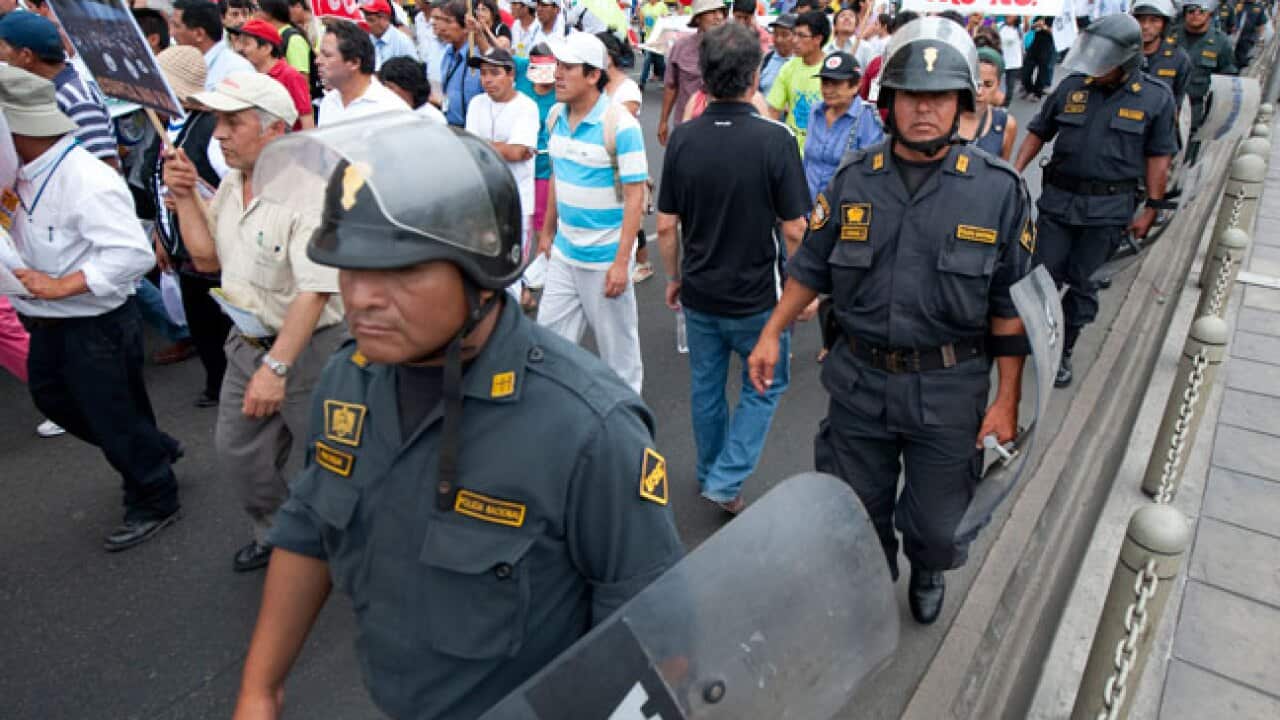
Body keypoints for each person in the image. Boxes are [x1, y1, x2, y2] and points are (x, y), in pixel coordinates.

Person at [229, 113, 683, 720]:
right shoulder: (347, 379)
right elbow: (311, 524)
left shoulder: (589, 429)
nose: (361, 296)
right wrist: (260, 690)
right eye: (352, 266)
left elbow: (652, 629)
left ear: (483, 273)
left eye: (402, 270)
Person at [747, 18, 1035, 625]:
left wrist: (1006, 399)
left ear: (961, 106)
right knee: (855, 511)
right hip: (860, 384)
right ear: (889, 105)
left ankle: (927, 566)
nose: (924, 109)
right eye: (911, 96)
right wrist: (772, 331)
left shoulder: (997, 192)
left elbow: (1012, 310)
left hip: (948, 390)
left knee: (936, 526)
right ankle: (872, 582)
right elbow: (811, 267)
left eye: (939, 98)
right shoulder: (855, 181)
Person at [163, 73, 346, 573]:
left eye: (231, 121)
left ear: (274, 129)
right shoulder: (232, 181)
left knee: (335, 462)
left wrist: (278, 369)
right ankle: (280, 534)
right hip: (246, 343)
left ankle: (355, 549)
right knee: (241, 453)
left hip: (310, 354)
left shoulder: (312, 191)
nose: (218, 133)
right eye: (217, 121)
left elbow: (316, 291)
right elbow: (205, 260)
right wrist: (182, 198)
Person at [2, 65, 184, 551]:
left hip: (94, 324)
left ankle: (154, 496)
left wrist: (62, 286)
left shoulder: (83, 179)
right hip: (52, 322)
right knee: (55, 397)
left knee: (111, 413)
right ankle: (152, 450)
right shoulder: (24, 174)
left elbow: (132, 254)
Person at [658, 22, 808, 514]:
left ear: (702, 72)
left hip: (699, 290)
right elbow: (794, 230)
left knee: (706, 389)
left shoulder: (683, 138)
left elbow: (665, 225)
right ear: (757, 73)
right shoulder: (776, 140)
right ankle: (725, 480)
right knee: (766, 385)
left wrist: (675, 276)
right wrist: (803, 290)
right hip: (757, 299)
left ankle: (712, 474)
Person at [1014, 14, 1177, 387]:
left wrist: (1152, 207)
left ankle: (1063, 349)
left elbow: (1159, 157)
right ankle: (1033, 338)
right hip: (1058, 203)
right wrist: (1015, 171)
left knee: (1083, 284)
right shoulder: (1073, 87)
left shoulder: (1154, 98)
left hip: (1107, 211)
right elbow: (1039, 131)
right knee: (1040, 276)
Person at [537, 32, 647, 395]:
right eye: (558, 67)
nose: (558, 75)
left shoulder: (621, 126)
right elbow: (557, 175)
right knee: (548, 343)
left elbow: (635, 198)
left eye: (567, 68)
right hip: (566, 255)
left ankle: (629, 429)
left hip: (604, 260)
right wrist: (547, 232)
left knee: (619, 357)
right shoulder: (555, 116)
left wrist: (621, 263)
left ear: (592, 75)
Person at [146, 45, 236, 409]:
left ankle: (229, 385)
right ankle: (217, 381)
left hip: (212, 245)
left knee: (221, 323)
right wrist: (161, 234)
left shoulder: (211, 128)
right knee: (200, 324)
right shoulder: (167, 124)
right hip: (180, 242)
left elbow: (234, 190)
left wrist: (192, 199)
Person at [465, 47, 539, 299]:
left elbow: (518, 152)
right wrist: (504, 147)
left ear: (510, 75)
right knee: (486, 265)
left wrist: (481, 144)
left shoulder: (526, 107)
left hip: (517, 200)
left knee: (512, 267)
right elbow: (470, 148)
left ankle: (514, 319)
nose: (487, 79)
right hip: (484, 200)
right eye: (483, 73)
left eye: (494, 73)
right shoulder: (476, 103)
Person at [0, 12, 119, 169]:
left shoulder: (75, 97)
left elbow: (104, 166)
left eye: (2, 46)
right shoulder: (42, 92)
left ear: (26, 56)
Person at [803, 51, 883, 203]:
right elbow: (807, 162)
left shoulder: (867, 119)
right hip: (807, 207)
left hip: (842, 210)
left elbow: (871, 174)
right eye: (825, 83)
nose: (828, 90)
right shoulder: (816, 112)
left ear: (856, 85)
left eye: (836, 84)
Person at [517, 44, 558, 308]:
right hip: (520, 164)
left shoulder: (561, 93)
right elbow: (494, 53)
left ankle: (552, 281)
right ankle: (521, 284)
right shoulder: (520, 76)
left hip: (546, 166)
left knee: (544, 224)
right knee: (521, 226)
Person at [316, 19, 410, 127]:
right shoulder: (328, 103)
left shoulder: (391, 111)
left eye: (327, 55)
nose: (318, 61)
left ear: (354, 62)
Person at [657, 0, 725, 145]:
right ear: (698, 18)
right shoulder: (681, 47)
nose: (718, 16)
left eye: (721, 12)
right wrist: (663, 121)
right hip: (686, 126)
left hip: (721, 130)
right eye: (712, 12)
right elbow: (671, 86)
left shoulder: (733, 49)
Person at [229, 18, 315, 130]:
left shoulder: (290, 76)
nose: (241, 49)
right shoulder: (249, 74)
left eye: (246, 44)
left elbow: (306, 118)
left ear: (266, 48)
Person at [765, 9, 828, 153]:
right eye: (794, 34)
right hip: (792, 152)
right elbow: (773, 111)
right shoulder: (788, 68)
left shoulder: (831, 70)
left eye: (801, 36)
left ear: (818, 39)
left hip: (821, 156)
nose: (794, 41)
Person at [1174, 0, 1237, 137]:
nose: (1195, 14)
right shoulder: (1171, 36)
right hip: (1168, 106)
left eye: (1201, 11)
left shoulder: (1221, 42)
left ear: (1209, 14)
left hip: (1197, 110)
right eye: (1191, 11)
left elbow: (1227, 80)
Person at [172, 0, 255, 89]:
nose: (171, 33)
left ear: (199, 34)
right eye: (235, 14)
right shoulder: (179, 63)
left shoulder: (237, 71)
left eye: (177, 26)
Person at [959, 47, 1017, 161]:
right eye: (975, 83)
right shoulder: (944, 114)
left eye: (988, 84)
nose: (979, 91)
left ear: (998, 84)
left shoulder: (1006, 125)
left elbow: (1002, 172)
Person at [435, 0, 485, 126]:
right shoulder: (448, 54)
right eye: (441, 20)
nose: (442, 27)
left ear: (466, 27)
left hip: (475, 130)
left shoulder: (477, 57)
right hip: (452, 126)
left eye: (448, 21)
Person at [1133, 0, 1191, 110]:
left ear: (1165, 24)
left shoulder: (1178, 58)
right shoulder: (1122, 53)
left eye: (1154, 20)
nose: (1145, 26)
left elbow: (1178, 98)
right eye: (1141, 20)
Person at [377, 55, 448, 122]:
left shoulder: (432, 118)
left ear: (409, 87)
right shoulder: (384, 114)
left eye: (390, 87)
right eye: (383, 87)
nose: (385, 92)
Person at [258, 0, 313, 88]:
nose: (254, 13)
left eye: (258, 9)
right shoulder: (274, 37)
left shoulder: (294, 39)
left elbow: (301, 80)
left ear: (268, 13)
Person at [361, 0, 420, 69]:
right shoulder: (367, 40)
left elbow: (414, 71)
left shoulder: (402, 42)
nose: (367, 24)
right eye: (366, 19)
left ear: (384, 19)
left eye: (371, 20)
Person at [759, 13, 796, 98]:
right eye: (775, 34)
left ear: (795, 36)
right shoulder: (766, 59)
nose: (779, 39)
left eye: (784, 35)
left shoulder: (801, 62)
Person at [1021, 16, 1055, 99]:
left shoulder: (1055, 17)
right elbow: (1030, 28)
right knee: (1026, 70)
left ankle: (1037, 93)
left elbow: (1057, 33)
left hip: (1047, 46)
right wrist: (1035, 25)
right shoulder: (1040, 15)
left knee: (1042, 71)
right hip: (1034, 44)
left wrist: (1044, 27)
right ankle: (1029, 89)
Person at [637, 0, 669, 84]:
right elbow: (642, 23)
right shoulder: (645, 7)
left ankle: (666, 77)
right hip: (649, 39)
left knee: (660, 62)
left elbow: (666, 21)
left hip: (660, 39)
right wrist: (639, 13)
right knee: (647, 60)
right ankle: (642, 82)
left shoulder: (662, 6)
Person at [997, 15, 1022, 108]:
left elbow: (1028, 27)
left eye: (1011, 14)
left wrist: (1027, 17)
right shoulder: (1000, 25)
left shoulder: (1020, 28)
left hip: (1014, 63)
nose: (1008, 15)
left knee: (1009, 87)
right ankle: (996, 103)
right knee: (997, 84)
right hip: (1000, 61)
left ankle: (1004, 107)